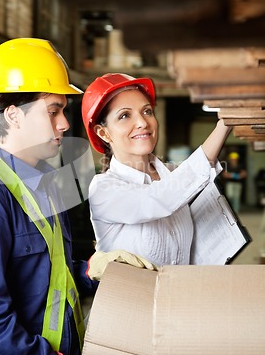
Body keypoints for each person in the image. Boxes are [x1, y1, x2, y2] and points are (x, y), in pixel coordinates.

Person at [0, 40, 155, 355]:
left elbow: (48, 275)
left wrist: (91, 268)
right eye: (53, 110)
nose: (65, 123)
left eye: (64, 110)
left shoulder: (41, 185)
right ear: (14, 115)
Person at [81, 72, 233, 265]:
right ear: (104, 133)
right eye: (125, 115)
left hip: (180, 293)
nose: (143, 123)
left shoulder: (170, 173)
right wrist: (225, 124)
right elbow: (160, 198)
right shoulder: (103, 189)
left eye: (147, 111)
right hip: (132, 296)